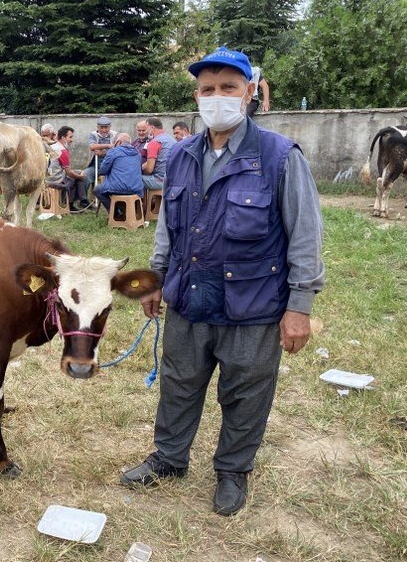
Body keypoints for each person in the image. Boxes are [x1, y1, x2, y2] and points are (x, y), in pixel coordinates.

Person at [119, 47, 325, 518]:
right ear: (197, 96)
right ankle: (169, 459)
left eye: (229, 88)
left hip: (252, 305)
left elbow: (306, 235)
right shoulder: (184, 153)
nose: (218, 98)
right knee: (179, 383)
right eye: (208, 90)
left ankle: (232, 472)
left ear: (249, 93)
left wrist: (300, 306)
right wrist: (155, 279)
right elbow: (167, 224)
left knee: (246, 392)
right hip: (190, 297)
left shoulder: (279, 157)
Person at [92, 132, 144, 212]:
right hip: (136, 189)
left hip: (117, 188)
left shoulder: (113, 152)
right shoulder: (137, 153)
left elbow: (102, 170)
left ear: (118, 142)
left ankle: (115, 212)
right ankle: (125, 212)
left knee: (97, 189)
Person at [45, 125, 89, 212]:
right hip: (56, 180)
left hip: (47, 178)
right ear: (63, 137)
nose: (72, 140)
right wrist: (80, 177)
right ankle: (74, 204)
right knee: (78, 178)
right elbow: (69, 173)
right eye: (70, 137)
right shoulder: (62, 150)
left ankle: (82, 201)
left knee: (78, 173)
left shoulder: (52, 146)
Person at [141, 117, 174, 192]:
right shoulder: (171, 140)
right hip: (173, 180)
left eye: (146, 129)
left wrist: (139, 170)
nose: (145, 132)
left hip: (160, 181)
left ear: (152, 128)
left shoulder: (154, 142)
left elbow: (149, 169)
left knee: (134, 179)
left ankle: (140, 203)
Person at [85, 116, 116, 196]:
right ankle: (83, 201)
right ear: (97, 127)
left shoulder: (114, 135)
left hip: (110, 167)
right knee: (85, 176)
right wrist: (108, 146)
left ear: (110, 127)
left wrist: (103, 153)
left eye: (106, 127)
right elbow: (92, 147)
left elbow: (116, 150)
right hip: (95, 165)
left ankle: (112, 200)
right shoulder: (93, 135)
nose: (104, 130)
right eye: (101, 127)